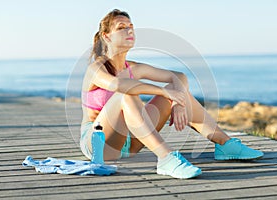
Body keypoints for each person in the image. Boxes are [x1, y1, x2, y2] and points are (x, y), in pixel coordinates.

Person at [80, 9, 263, 179]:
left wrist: (176, 101)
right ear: (106, 36)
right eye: (121, 28)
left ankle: (224, 144)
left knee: (179, 94)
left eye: (131, 27)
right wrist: (163, 90)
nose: (129, 31)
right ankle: (166, 158)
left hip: (131, 141)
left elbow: (179, 76)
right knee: (125, 94)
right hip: (100, 143)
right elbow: (118, 84)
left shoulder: (135, 68)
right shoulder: (96, 68)